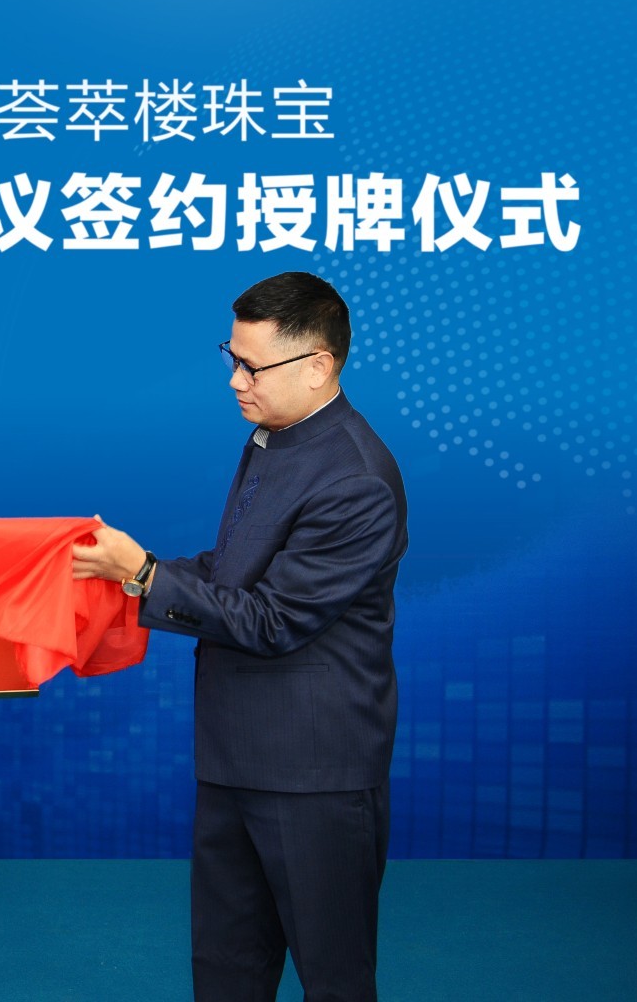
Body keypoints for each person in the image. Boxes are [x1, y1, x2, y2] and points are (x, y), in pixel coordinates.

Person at [73, 271, 407, 1001]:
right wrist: (127, 571)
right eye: (231, 357)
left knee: (334, 977)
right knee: (225, 970)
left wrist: (145, 577)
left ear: (318, 365)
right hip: (235, 757)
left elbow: (274, 619)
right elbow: (234, 571)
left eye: (252, 366)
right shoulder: (275, 438)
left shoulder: (356, 479)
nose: (234, 381)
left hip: (313, 772)